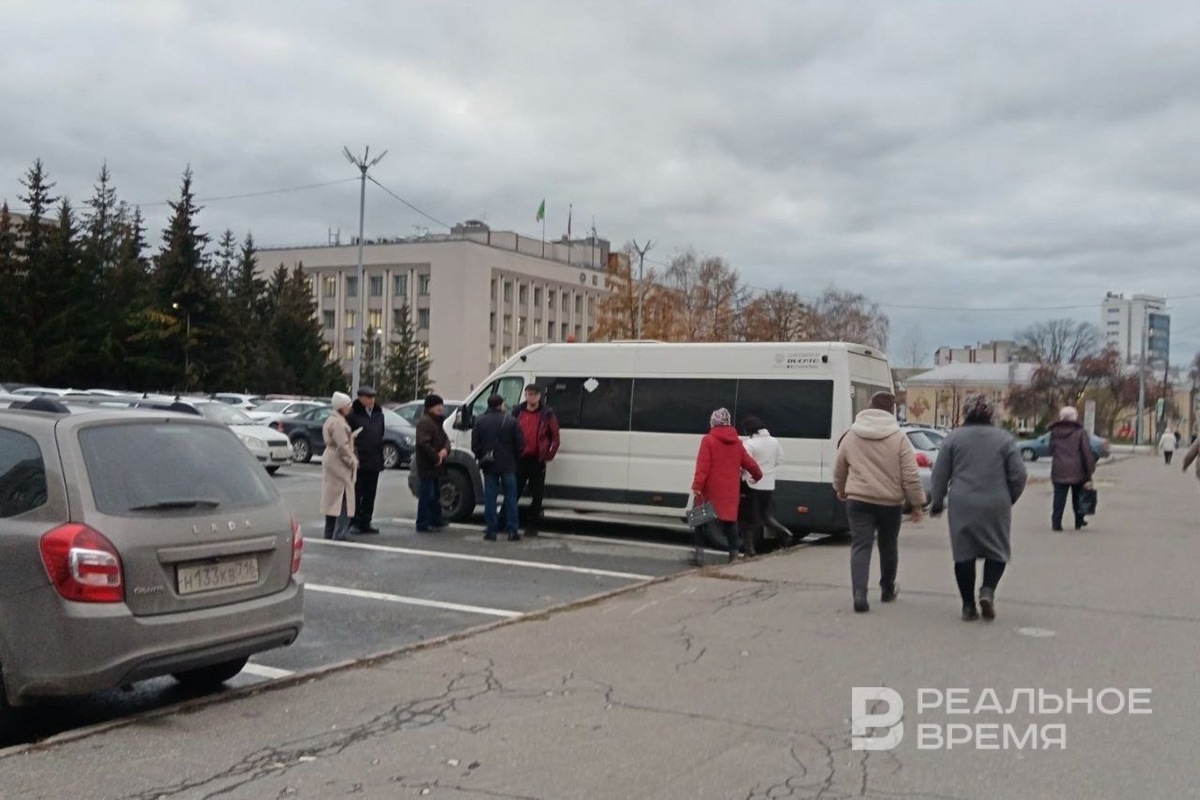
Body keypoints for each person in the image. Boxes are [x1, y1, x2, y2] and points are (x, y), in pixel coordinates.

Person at [928, 395, 1028, 622]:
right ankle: (987, 590)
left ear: (965, 413)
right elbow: (1019, 474)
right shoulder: (1004, 439)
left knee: (963, 554)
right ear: (991, 414)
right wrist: (1009, 497)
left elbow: (940, 474)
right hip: (995, 501)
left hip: (962, 502)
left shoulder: (953, 438)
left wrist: (937, 502)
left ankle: (968, 606)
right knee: (998, 550)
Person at [833, 392, 926, 614]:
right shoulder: (899, 438)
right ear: (892, 411)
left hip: (859, 500)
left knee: (860, 545)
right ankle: (887, 589)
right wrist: (916, 504)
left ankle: (859, 594)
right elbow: (910, 475)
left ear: (869, 406)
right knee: (888, 545)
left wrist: (840, 488)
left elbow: (840, 467)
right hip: (890, 503)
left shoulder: (852, 435)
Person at [691, 408, 763, 566]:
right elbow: (749, 463)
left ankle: (699, 556)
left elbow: (703, 467)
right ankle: (733, 556)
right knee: (730, 523)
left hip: (709, 491)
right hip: (730, 490)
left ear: (713, 422)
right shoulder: (737, 442)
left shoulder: (708, 440)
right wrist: (757, 475)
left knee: (699, 522)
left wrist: (697, 486)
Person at [472, 394, 526, 541]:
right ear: (501, 405)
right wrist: (514, 458)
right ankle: (512, 530)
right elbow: (520, 445)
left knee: (490, 498)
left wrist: (483, 456)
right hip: (508, 465)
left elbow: (475, 445)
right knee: (511, 498)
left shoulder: (480, 421)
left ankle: (491, 530)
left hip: (489, 465)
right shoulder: (511, 421)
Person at [512, 384, 561, 536]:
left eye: (534, 394)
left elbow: (555, 437)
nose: (531, 397)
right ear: (525, 395)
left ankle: (532, 526)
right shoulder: (518, 411)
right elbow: (510, 432)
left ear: (539, 396)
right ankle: (506, 522)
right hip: (520, 458)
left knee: (537, 495)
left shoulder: (547, 413)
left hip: (537, 460)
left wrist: (549, 455)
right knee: (513, 492)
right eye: (529, 394)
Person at [738, 415, 783, 557]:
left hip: (751, 484)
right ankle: (785, 533)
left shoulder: (749, 444)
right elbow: (779, 460)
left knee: (746, 518)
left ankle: (749, 550)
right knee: (763, 514)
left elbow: (744, 463)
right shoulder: (774, 441)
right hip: (769, 484)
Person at [1048, 406, 1096, 531]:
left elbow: (1051, 450)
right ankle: (1078, 521)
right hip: (1077, 470)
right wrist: (1090, 469)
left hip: (1059, 469)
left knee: (1059, 498)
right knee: (1078, 497)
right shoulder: (1080, 432)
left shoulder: (1054, 432)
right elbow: (1086, 452)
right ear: (1074, 417)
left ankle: (1056, 523)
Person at [347, 385, 385, 534]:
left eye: (373, 397)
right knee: (357, 493)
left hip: (374, 459)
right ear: (361, 398)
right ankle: (355, 522)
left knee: (370, 494)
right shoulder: (353, 414)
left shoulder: (378, 414)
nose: (371, 400)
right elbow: (348, 436)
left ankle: (366, 521)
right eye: (368, 397)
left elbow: (380, 434)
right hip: (359, 460)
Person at [321, 392, 358, 541]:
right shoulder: (338, 423)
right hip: (338, 461)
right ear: (341, 406)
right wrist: (352, 460)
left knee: (332, 498)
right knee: (343, 497)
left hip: (332, 458)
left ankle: (329, 531)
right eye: (347, 405)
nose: (349, 407)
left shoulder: (332, 419)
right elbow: (342, 445)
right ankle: (340, 532)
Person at [414, 393, 451, 533]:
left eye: (441, 405)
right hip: (428, 465)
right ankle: (423, 523)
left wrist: (445, 450)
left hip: (437, 466)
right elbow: (423, 443)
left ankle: (436, 519)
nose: (440, 408)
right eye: (437, 405)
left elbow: (446, 440)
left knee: (435, 495)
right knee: (426, 495)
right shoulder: (425, 422)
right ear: (430, 407)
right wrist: (436, 457)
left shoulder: (437, 422)